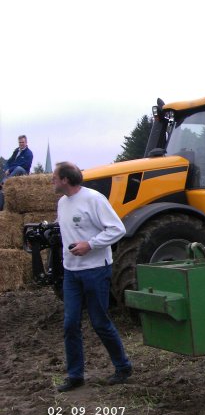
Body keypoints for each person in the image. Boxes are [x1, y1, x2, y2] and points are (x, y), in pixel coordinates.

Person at [52, 161, 133, 392]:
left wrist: (90, 244)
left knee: (99, 322)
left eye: (55, 177)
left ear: (66, 179)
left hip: (96, 269)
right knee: (70, 324)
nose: (52, 181)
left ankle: (123, 366)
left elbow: (118, 229)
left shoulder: (94, 199)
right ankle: (75, 375)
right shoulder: (62, 203)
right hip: (71, 272)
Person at [0, 135, 33, 210]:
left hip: (23, 173)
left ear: (26, 142)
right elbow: (9, 161)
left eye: (22, 142)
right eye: (20, 142)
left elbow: (24, 165)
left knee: (18, 168)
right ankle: (1, 209)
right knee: (3, 191)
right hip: (13, 171)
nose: (21, 144)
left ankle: (6, 181)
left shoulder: (29, 153)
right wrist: (6, 169)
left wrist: (10, 169)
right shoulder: (16, 151)